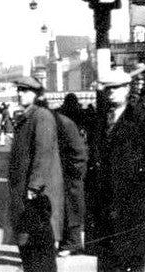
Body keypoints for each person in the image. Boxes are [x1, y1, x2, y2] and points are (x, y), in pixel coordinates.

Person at [86, 68, 145, 272]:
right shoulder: (99, 120)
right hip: (104, 209)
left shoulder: (142, 119)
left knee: (131, 265)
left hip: (133, 209)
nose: (112, 92)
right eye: (108, 88)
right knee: (106, 265)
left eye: (117, 88)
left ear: (127, 89)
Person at [4, 77, 63, 272]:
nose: (20, 93)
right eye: (19, 90)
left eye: (26, 90)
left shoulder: (41, 116)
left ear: (37, 94)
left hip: (36, 196)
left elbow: (43, 152)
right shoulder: (27, 116)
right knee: (27, 249)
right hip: (25, 195)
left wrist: (34, 185)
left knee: (39, 251)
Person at [50, 95, 89, 257]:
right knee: (69, 207)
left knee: (71, 207)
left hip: (69, 171)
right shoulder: (70, 117)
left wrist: (75, 172)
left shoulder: (63, 121)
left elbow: (79, 152)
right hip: (68, 170)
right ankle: (71, 242)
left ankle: (72, 243)